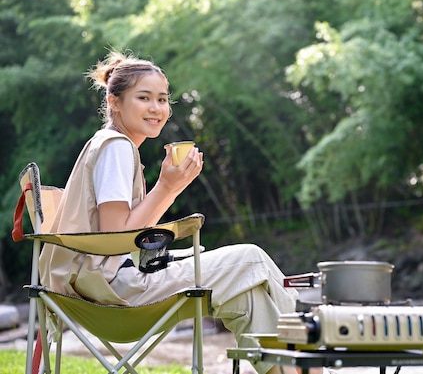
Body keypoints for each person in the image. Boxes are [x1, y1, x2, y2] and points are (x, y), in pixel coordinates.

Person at [38, 50, 325, 374]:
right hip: (114, 293)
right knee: (252, 258)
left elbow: (123, 236)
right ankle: (313, 364)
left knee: (248, 299)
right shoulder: (116, 147)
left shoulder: (109, 145)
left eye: (162, 99)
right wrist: (166, 187)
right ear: (114, 101)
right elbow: (117, 239)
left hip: (99, 292)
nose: (157, 108)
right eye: (144, 97)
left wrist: (171, 187)